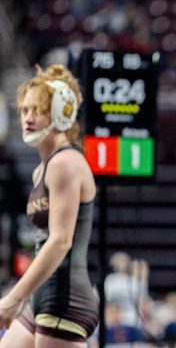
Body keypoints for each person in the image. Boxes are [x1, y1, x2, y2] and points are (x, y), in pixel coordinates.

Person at [0, 65, 99, 347]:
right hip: (45, 295)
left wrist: (15, 297)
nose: (28, 119)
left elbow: (59, 242)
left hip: (65, 298)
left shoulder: (64, 164)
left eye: (38, 111)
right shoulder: (42, 170)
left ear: (62, 114)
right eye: (24, 110)